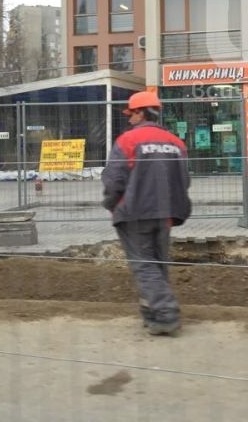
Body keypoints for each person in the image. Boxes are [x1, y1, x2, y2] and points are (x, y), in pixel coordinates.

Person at [101, 91, 192, 336]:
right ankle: (152, 310)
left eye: (131, 114)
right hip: (165, 213)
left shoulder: (127, 141)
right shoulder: (176, 142)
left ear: (141, 113)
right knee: (157, 263)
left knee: (143, 265)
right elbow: (184, 180)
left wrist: (111, 205)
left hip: (134, 213)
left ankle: (165, 313)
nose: (129, 119)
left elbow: (114, 180)